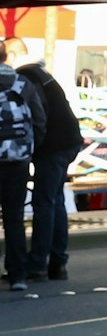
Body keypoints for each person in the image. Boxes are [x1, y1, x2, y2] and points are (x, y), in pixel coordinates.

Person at [15, 61, 78, 282]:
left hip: (52, 145)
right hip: (68, 141)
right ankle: (58, 263)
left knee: (44, 203)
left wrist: (33, 149)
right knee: (55, 201)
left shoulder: (24, 78)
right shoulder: (38, 74)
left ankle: (38, 265)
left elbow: (38, 116)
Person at [0, 47, 48, 292]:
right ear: (5, 56)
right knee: (14, 218)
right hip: (17, 160)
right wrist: (29, 149)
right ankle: (17, 274)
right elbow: (38, 120)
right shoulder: (23, 83)